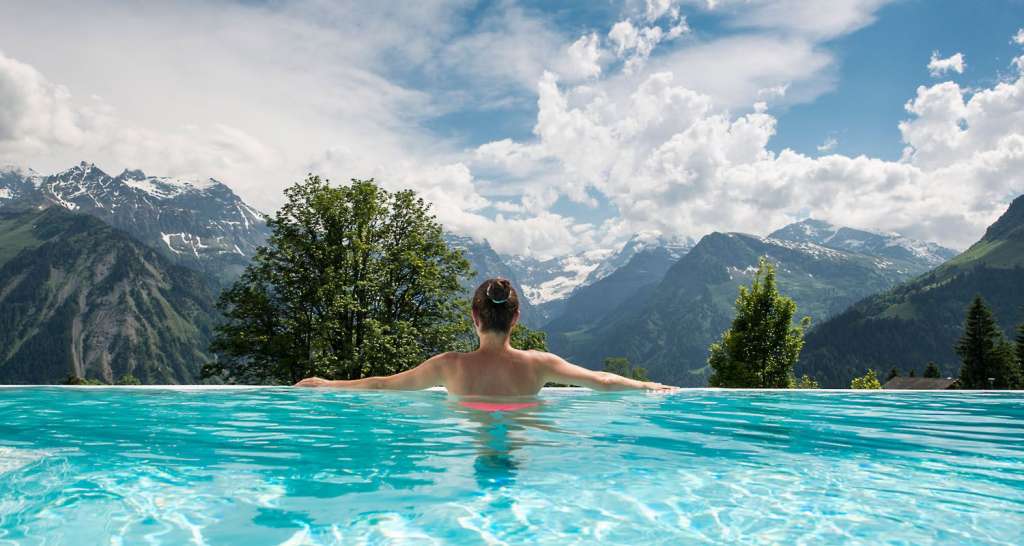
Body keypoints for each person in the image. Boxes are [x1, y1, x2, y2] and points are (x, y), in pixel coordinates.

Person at [294, 278, 677, 395]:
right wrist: (646, 384)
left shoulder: (449, 366)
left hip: (468, 449)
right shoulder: (539, 364)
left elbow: (382, 386)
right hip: (525, 447)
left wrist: (328, 383)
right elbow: (603, 382)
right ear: (517, 318)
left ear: (475, 317)